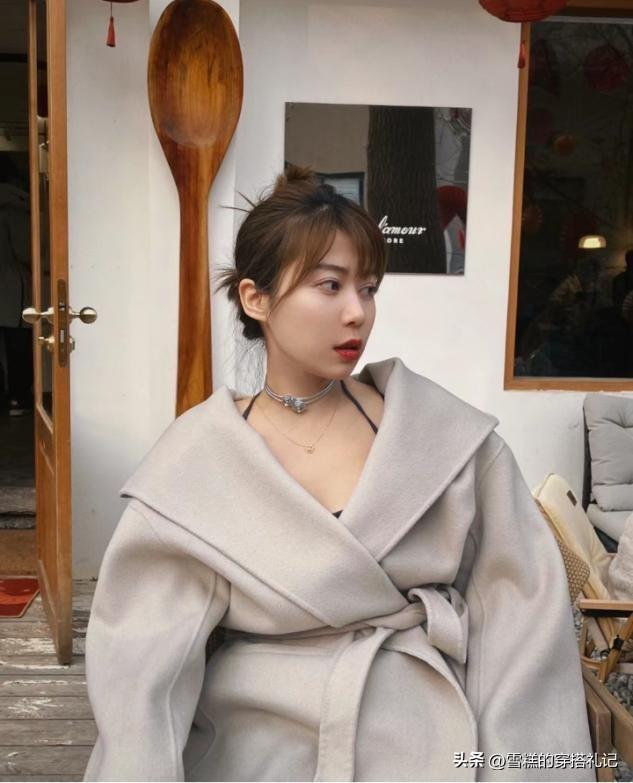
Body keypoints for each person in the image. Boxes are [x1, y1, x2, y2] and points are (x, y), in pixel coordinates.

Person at [83, 166, 594, 782]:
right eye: (330, 285)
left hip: (427, 727)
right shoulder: (195, 465)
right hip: (257, 739)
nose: (357, 313)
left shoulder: (447, 439)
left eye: (368, 288)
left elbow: (523, 629)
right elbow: (143, 673)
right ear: (256, 299)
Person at [0, 156, 33, 416]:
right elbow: (25, 252)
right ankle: (18, 398)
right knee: (18, 343)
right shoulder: (16, 207)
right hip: (13, 285)